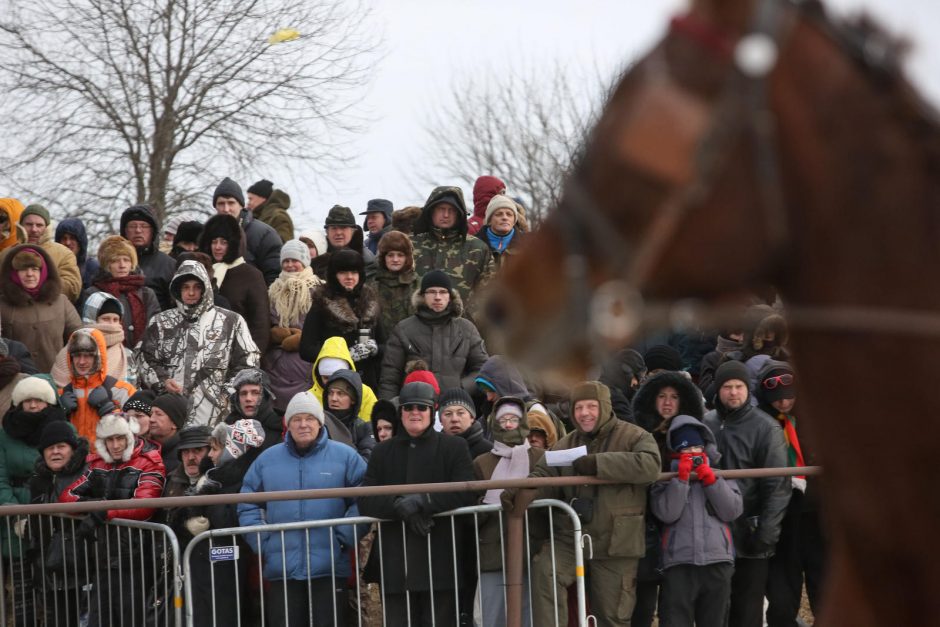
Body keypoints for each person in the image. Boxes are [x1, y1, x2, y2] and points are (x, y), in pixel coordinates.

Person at [512, 381, 661, 627]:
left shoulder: (635, 436)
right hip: (572, 537)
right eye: (579, 407)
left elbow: (650, 465)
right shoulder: (565, 444)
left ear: (605, 407)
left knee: (612, 615)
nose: (584, 413)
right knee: (545, 571)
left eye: (591, 406)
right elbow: (542, 475)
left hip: (617, 541)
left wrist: (598, 464)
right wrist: (520, 493)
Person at [238, 391, 367, 626]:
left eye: (309, 418)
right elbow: (248, 501)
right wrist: (263, 541)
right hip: (282, 568)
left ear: (319, 422)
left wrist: (342, 538)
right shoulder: (267, 459)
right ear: (288, 424)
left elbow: (365, 498)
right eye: (297, 419)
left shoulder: (346, 456)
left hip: (329, 568)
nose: (304, 424)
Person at [359, 381, 477, 626]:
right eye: (409, 407)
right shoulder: (383, 452)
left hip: (440, 558)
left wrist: (425, 502)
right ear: (401, 412)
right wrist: (399, 505)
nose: (415, 412)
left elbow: (466, 490)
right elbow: (366, 499)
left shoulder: (454, 447)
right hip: (397, 562)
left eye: (421, 408)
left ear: (431, 411)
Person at [703, 360, 791, 627]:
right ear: (718, 390)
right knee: (715, 611)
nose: (733, 392)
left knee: (747, 612)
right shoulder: (706, 423)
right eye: (727, 387)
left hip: (750, 535)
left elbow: (777, 486)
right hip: (713, 534)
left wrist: (766, 534)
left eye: (739, 386)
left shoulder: (766, 428)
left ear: (747, 389)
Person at [60, 412, 166, 627]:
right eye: (110, 439)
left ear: (131, 437)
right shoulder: (99, 464)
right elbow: (66, 497)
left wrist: (104, 512)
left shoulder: (150, 461)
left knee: (133, 620)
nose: (115, 445)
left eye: (120, 438)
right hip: (103, 558)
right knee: (99, 620)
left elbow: (145, 505)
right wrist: (96, 505)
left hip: (136, 560)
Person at [139, 259, 260, 425]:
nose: (191, 293)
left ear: (206, 289)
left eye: (197, 287)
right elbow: (145, 357)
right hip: (170, 412)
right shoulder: (161, 322)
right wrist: (163, 381)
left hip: (216, 412)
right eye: (185, 287)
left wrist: (227, 392)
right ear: (177, 289)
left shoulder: (231, 321)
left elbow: (248, 361)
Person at [650, 417, 743, 627]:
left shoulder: (722, 474)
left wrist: (711, 481)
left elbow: (732, 511)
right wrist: (680, 480)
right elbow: (667, 513)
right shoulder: (664, 479)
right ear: (675, 451)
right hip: (678, 562)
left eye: (696, 447)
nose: (692, 452)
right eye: (686, 448)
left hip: (717, 560)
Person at [631, 369, 706, 627]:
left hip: (682, 527)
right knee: (642, 603)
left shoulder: (697, 436)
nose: (667, 402)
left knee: (675, 609)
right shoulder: (637, 436)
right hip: (644, 527)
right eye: (661, 395)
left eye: (674, 396)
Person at [176, 418, 266, 625]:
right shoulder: (212, 478)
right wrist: (187, 520)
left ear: (231, 450)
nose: (210, 455)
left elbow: (229, 518)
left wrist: (204, 510)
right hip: (206, 564)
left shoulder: (239, 480)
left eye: (215, 449)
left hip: (229, 563)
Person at [756, 361, 825, 627]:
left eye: (789, 397)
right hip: (784, 517)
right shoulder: (762, 422)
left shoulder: (814, 417)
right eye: (777, 400)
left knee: (823, 582)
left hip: (818, 516)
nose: (784, 404)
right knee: (783, 593)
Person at [1, 375, 68, 625]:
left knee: (54, 590)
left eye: (37, 400)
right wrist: (14, 512)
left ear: (48, 402)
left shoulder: (63, 429)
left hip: (52, 515)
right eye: (26, 400)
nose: (31, 405)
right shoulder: (4, 434)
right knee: (19, 591)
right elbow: (0, 478)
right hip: (14, 518)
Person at [473, 396, 544, 627]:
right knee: (490, 617)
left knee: (528, 616)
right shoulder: (482, 462)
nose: (509, 424)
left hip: (530, 551)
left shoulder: (539, 458)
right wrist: (485, 507)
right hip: (492, 551)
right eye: (504, 419)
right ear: (495, 423)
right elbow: (472, 510)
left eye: (514, 418)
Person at [379, 270, 488, 399]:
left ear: (450, 296)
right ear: (422, 296)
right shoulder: (404, 329)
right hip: (416, 409)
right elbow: (390, 379)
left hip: (455, 409)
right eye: (431, 292)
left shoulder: (466, 329)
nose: (437, 297)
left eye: (443, 292)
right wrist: (388, 412)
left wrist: (461, 388)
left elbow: (483, 370)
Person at [26, 421, 90, 627]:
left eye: (61, 447)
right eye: (50, 448)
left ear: (72, 449)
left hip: (80, 565)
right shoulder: (38, 479)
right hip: (49, 566)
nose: (55, 452)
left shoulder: (87, 472)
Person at [299, 248, 383, 387]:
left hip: (367, 383)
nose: (349, 277)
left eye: (354, 272)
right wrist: (342, 356)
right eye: (343, 272)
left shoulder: (371, 301)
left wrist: (373, 349)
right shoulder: (322, 302)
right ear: (334, 275)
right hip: (333, 382)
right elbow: (306, 349)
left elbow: (384, 344)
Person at [411, 186, 494, 317]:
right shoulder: (412, 245)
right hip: (416, 326)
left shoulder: (477, 248)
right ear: (431, 211)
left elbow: (487, 292)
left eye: (451, 210)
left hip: (462, 328)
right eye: (441, 209)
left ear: (459, 214)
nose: (446, 215)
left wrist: (470, 321)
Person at [0, 244, 82, 372]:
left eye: (35, 268)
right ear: (13, 273)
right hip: (15, 382)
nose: (30, 274)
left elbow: (79, 338)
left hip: (56, 380)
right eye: (23, 269)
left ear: (43, 271)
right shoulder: (2, 305)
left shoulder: (61, 302)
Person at [199, 213, 271, 352]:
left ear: (234, 243)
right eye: (214, 241)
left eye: (224, 242)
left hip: (238, 353)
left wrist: (251, 359)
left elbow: (260, 325)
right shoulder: (201, 271)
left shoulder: (251, 275)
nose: (217, 247)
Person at [264, 239, 322, 411]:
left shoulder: (319, 290)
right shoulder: (273, 290)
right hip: (277, 364)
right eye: (286, 261)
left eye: (294, 261)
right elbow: (266, 321)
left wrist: (302, 339)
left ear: (304, 262)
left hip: (304, 364)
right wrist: (275, 333)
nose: (290, 265)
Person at [57, 327, 136, 443]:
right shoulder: (61, 394)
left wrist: (108, 409)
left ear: (98, 357)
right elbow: (48, 433)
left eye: (88, 355)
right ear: (70, 358)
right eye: (77, 355)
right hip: (75, 459)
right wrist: (60, 413)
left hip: (108, 459)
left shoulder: (123, 390)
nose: (81, 361)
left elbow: (138, 427)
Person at [84, 235, 161, 349]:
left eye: (126, 260)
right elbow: (90, 330)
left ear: (132, 264)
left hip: (144, 357)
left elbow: (155, 327)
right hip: (108, 355)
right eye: (115, 260)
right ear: (107, 264)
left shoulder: (146, 294)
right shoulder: (93, 293)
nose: (122, 265)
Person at [52, 291, 136, 387]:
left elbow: (133, 393)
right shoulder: (70, 351)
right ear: (92, 319)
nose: (112, 325)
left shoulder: (127, 355)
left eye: (115, 320)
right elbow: (55, 390)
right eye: (106, 319)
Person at [213, 177, 283, 285]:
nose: (226, 209)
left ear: (241, 205)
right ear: (215, 206)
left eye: (231, 203)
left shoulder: (266, 235)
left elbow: (274, 278)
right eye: (221, 203)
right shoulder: (206, 236)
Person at [10, 204, 82, 302]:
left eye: (39, 225)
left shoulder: (64, 254)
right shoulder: (6, 254)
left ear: (47, 227)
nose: (34, 229)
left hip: (50, 313)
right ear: (21, 226)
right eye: (29, 224)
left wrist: (38, 286)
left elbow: (73, 288)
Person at [119, 204, 178, 310]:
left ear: (153, 231)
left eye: (144, 226)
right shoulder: (114, 263)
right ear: (125, 231)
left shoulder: (169, 265)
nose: (138, 230)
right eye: (132, 226)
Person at [308, 336, 379, 424]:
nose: (331, 382)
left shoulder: (365, 393)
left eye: (336, 376)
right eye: (326, 378)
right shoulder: (309, 397)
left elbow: (372, 427)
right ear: (319, 376)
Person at [370, 229, 419, 336]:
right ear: (383, 258)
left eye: (400, 255)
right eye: (390, 255)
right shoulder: (373, 286)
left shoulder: (418, 285)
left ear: (407, 258)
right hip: (381, 346)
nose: (395, 259)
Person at [222, 368, 284, 452]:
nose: (248, 399)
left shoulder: (283, 429)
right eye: (243, 393)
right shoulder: (226, 428)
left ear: (266, 395)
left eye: (255, 393)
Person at [312, 204, 377, 280]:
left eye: (343, 228)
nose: (338, 232)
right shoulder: (317, 257)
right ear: (327, 232)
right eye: (334, 228)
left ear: (353, 231)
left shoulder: (366, 259)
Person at [322, 369, 376, 459]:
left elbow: (365, 463)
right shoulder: (318, 424)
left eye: (340, 394)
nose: (333, 398)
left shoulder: (364, 429)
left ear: (353, 399)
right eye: (331, 393)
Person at [438, 387, 492, 458]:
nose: (454, 419)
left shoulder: (489, 452)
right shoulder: (433, 451)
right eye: (448, 414)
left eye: (460, 413)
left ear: (472, 417)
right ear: (440, 421)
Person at [162, 425, 212, 498]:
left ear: (210, 452)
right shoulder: (171, 481)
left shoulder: (219, 483)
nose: (191, 457)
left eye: (197, 450)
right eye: (186, 451)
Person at [475, 194, 524, 268]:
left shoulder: (528, 245)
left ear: (514, 220)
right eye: (499, 214)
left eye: (509, 214)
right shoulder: (473, 244)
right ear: (489, 220)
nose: (505, 217)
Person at [149, 392, 188, 474]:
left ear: (174, 423)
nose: (151, 419)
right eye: (151, 414)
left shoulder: (184, 455)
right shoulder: (143, 448)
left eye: (158, 414)